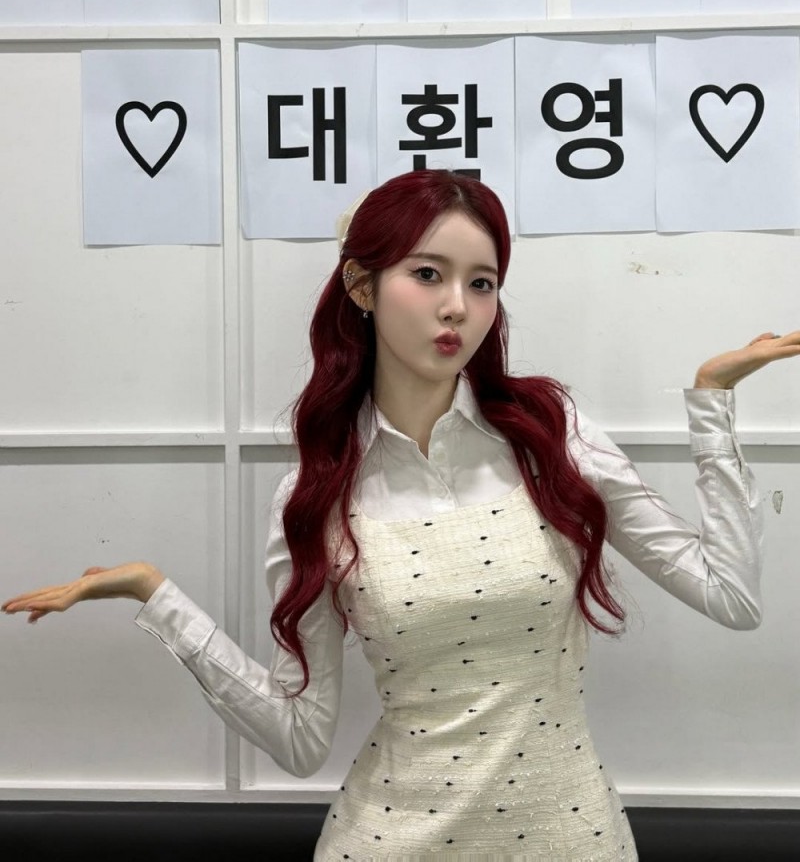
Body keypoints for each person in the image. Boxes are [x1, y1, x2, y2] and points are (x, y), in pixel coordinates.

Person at [4, 169, 799, 860]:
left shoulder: (552, 440)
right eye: (428, 274)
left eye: (482, 283)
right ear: (361, 287)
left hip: (569, 835)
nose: (457, 307)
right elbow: (300, 736)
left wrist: (713, 401)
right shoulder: (317, 499)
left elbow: (732, 595)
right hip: (390, 839)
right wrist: (155, 596)